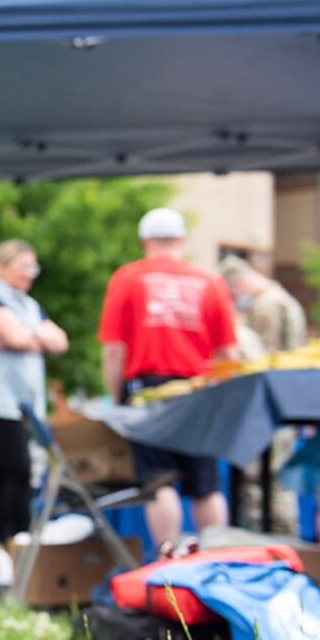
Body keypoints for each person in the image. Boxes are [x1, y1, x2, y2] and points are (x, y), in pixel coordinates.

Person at [99, 207, 239, 547]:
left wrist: (117, 400)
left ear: (145, 240)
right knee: (206, 485)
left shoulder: (127, 278)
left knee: (159, 483)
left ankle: (168, 559)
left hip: (151, 393)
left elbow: (114, 350)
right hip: (200, 391)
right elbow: (229, 354)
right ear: (182, 240)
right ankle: (213, 558)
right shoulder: (210, 281)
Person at [0, 241, 69, 586]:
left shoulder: (29, 305)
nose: (29, 274)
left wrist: (26, 336)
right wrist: (30, 337)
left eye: (33, 268)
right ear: (4, 264)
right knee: (18, 468)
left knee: (7, 472)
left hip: (21, 403)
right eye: (23, 266)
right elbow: (13, 335)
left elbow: (59, 341)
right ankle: (14, 544)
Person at [220, 255, 306, 535]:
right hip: (287, 399)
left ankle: (277, 543)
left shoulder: (268, 306)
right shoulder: (284, 300)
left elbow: (261, 360)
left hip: (270, 404)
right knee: (276, 480)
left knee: (264, 483)